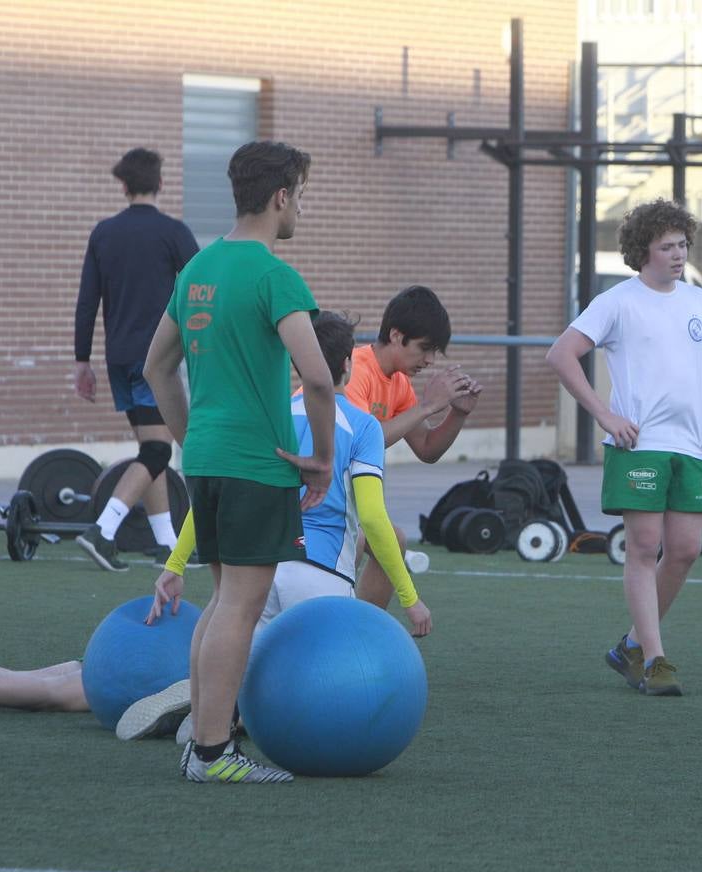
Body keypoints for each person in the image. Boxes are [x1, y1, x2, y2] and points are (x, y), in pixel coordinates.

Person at [130, 310, 433, 744]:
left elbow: (214, 500)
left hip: (257, 574)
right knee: (327, 694)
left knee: (238, 658)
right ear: (348, 363)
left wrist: (175, 565)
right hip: (322, 582)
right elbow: (372, 519)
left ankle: (215, 713)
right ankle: (241, 711)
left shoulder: (267, 418)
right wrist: (411, 599)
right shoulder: (363, 426)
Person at [143, 140, 336, 784]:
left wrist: (191, 437)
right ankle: (211, 753)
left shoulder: (197, 268)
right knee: (239, 606)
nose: (300, 209)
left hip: (207, 459)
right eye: (301, 197)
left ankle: (200, 740)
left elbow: (156, 367)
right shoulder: (274, 275)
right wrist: (323, 458)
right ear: (282, 197)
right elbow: (318, 378)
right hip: (259, 464)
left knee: (223, 598)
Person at [546, 198, 702, 697]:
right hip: (640, 446)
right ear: (643, 251)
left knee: (687, 550)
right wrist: (605, 415)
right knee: (643, 547)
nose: (678, 254)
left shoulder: (700, 303)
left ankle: (630, 645)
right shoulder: (618, 301)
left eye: (683, 245)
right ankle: (655, 659)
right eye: (667, 246)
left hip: (691, 448)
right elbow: (561, 354)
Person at [73, 148, 199, 572]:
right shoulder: (173, 232)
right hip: (156, 361)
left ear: (123, 186)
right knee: (159, 453)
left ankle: (167, 542)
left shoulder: (103, 233)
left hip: (117, 359)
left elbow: (87, 300)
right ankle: (102, 531)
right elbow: (202, 288)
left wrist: (81, 361)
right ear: (160, 184)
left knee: (152, 448)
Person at [343, 286, 480, 608]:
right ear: (395, 335)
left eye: (435, 351)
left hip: (342, 494)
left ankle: (362, 630)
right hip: (307, 493)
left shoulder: (399, 382)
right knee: (361, 540)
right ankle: (336, 627)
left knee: (393, 542)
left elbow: (428, 449)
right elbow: (356, 445)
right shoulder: (355, 370)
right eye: (424, 349)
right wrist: (428, 405)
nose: (430, 360)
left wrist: (457, 413)